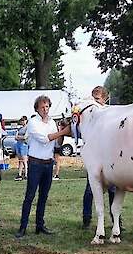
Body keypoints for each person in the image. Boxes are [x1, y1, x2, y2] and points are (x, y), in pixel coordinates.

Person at [16, 95, 72, 238]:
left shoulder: (52, 122)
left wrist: (62, 131)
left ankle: (39, 225)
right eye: (42, 107)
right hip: (35, 163)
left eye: (47, 106)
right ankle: (22, 227)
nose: (45, 109)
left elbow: (57, 142)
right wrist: (63, 131)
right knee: (30, 196)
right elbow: (44, 139)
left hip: (48, 163)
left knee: (43, 196)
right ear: (37, 108)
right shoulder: (33, 123)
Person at [82, 87, 117, 229]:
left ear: (105, 99)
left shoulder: (112, 114)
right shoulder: (89, 116)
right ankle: (86, 219)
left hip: (111, 160)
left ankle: (116, 220)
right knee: (90, 189)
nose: (94, 103)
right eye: (93, 99)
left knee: (114, 191)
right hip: (95, 159)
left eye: (97, 99)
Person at [14, 115, 29, 180]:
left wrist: (19, 137)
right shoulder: (19, 129)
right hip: (18, 144)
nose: (22, 122)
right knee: (20, 160)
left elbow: (25, 137)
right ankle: (19, 175)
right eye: (21, 120)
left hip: (24, 145)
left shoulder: (27, 128)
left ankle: (26, 174)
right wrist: (20, 137)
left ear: (26, 121)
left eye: (23, 120)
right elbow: (15, 137)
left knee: (24, 160)